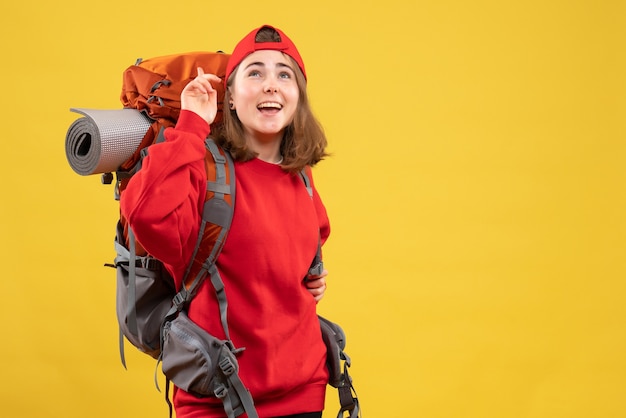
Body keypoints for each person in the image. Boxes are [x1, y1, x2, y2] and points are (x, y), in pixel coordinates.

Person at [120, 25, 332, 418]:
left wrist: (307, 278)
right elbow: (148, 217)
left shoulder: (300, 175)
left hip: (305, 393)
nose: (271, 84)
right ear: (229, 97)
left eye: (284, 74)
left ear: (298, 96)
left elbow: (310, 237)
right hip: (217, 401)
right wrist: (191, 125)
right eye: (255, 72)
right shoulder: (200, 168)